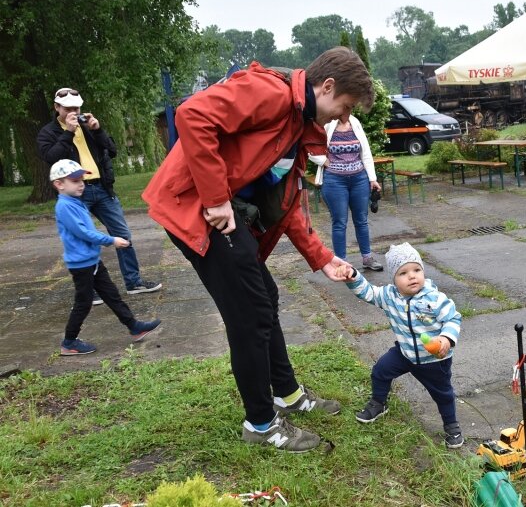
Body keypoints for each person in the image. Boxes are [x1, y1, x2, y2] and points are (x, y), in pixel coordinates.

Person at [142, 47, 375, 453]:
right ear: (327, 86)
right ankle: (262, 425)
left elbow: (284, 208)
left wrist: (323, 258)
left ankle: (286, 393)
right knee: (250, 313)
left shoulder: (297, 129)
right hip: (198, 210)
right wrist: (215, 199)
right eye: (345, 107)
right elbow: (192, 115)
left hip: (223, 212)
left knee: (265, 297)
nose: (343, 117)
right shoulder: (270, 92)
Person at [37, 88, 162, 302]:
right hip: (75, 193)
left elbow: (112, 151)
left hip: (102, 188)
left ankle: (134, 282)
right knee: (84, 240)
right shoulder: (48, 132)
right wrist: (68, 132)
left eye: (76, 108)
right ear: (56, 108)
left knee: (123, 235)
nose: (73, 112)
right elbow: (51, 157)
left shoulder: (87, 126)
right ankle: (93, 290)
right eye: (68, 109)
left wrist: (97, 130)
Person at [338, 242, 464, 449]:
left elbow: (453, 319)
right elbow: (368, 292)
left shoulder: (434, 298)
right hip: (404, 353)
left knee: (443, 394)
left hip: (433, 360)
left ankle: (452, 426)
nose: (412, 276)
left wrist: (446, 339)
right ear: (394, 279)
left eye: (416, 270)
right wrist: (353, 276)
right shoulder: (389, 296)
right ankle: (379, 403)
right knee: (380, 370)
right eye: (403, 273)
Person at [50, 160, 162, 356]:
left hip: (92, 261)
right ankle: (69, 342)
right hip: (81, 265)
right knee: (83, 303)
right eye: (75, 180)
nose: (81, 183)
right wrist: (111, 240)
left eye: (82, 179)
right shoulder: (65, 207)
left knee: (112, 295)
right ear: (59, 184)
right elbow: (83, 233)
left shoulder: (74, 202)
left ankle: (134, 327)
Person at [315, 114, 383, 271]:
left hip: (359, 179)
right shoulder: (326, 123)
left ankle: (367, 258)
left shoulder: (355, 122)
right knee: (339, 222)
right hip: (335, 181)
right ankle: (342, 264)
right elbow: (309, 148)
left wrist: (372, 178)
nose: (348, 109)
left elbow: (365, 152)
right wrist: (323, 161)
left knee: (362, 220)